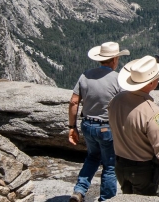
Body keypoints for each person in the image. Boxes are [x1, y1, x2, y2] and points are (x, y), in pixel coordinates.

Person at [109, 56, 159, 197]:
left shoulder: (116, 100)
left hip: (120, 165)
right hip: (143, 170)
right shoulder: (151, 111)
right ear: (151, 83)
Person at [67, 42, 129, 202]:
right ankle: (107, 199)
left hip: (87, 125)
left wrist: (72, 127)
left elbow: (74, 102)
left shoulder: (85, 75)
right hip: (107, 128)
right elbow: (125, 105)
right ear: (115, 59)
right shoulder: (118, 79)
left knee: (92, 157)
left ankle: (79, 191)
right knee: (109, 165)